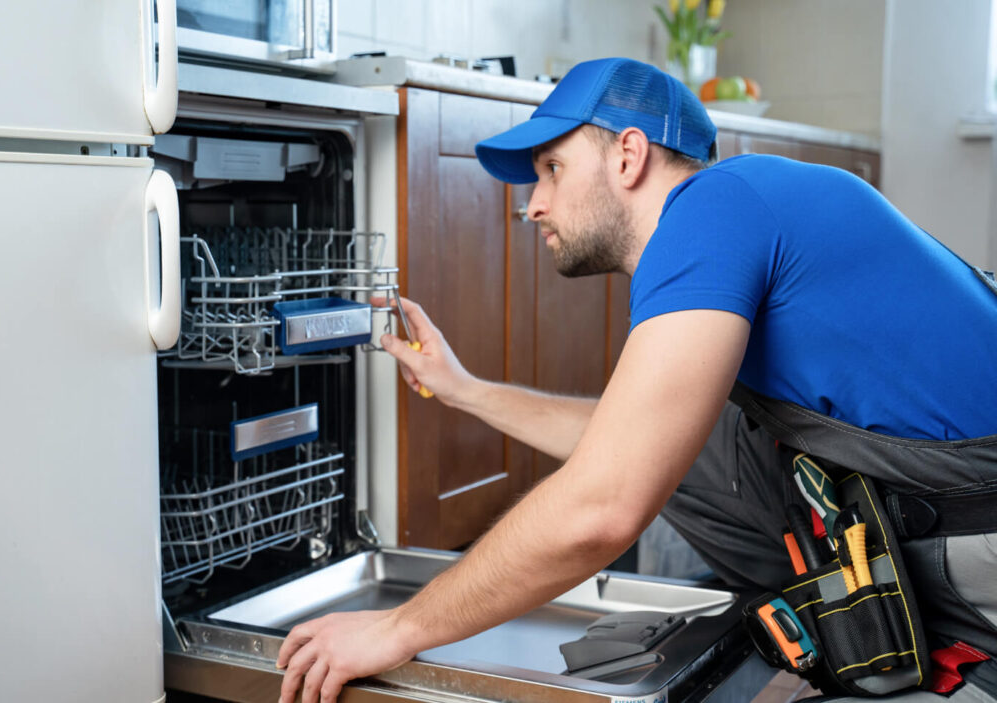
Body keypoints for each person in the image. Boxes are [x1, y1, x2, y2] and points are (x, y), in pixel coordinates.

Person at [276, 57, 997, 703]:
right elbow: (630, 441)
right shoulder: (744, 207)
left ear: (628, 154)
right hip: (945, 511)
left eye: (551, 168)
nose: (532, 205)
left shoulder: (714, 208)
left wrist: (398, 627)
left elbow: (604, 505)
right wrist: (460, 385)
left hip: (981, 551)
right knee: (698, 443)